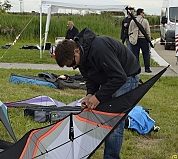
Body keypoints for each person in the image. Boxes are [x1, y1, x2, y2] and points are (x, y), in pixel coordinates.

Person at [55, 28, 141, 159]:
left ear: (76, 51)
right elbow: (90, 77)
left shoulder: (99, 49)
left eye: (72, 63)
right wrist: (90, 94)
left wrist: (98, 97)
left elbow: (119, 77)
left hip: (127, 76)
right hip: (112, 77)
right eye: (69, 66)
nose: (72, 67)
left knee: (114, 121)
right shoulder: (81, 56)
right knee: (102, 117)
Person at [129, 8, 152, 73]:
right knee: (146, 54)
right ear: (141, 13)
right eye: (143, 13)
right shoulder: (145, 21)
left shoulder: (132, 21)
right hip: (143, 39)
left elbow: (130, 31)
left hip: (135, 39)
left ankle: (136, 69)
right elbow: (148, 31)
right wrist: (149, 39)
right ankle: (147, 68)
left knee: (135, 54)